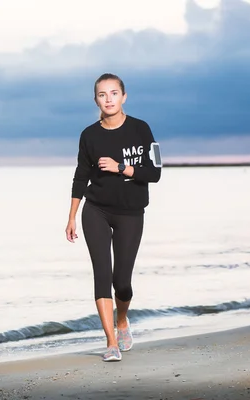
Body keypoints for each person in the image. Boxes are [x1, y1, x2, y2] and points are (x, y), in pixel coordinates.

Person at [65, 73, 162, 362]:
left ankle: (122, 321)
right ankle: (110, 342)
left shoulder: (141, 130)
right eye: (102, 95)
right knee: (102, 275)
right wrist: (71, 217)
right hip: (95, 209)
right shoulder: (89, 135)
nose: (108, 99)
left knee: (122, 282)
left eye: (114, 93)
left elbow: (154, 173)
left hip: (131, 214)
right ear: (96, 99)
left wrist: (122, 167)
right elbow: (81, 177)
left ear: (124, 96)